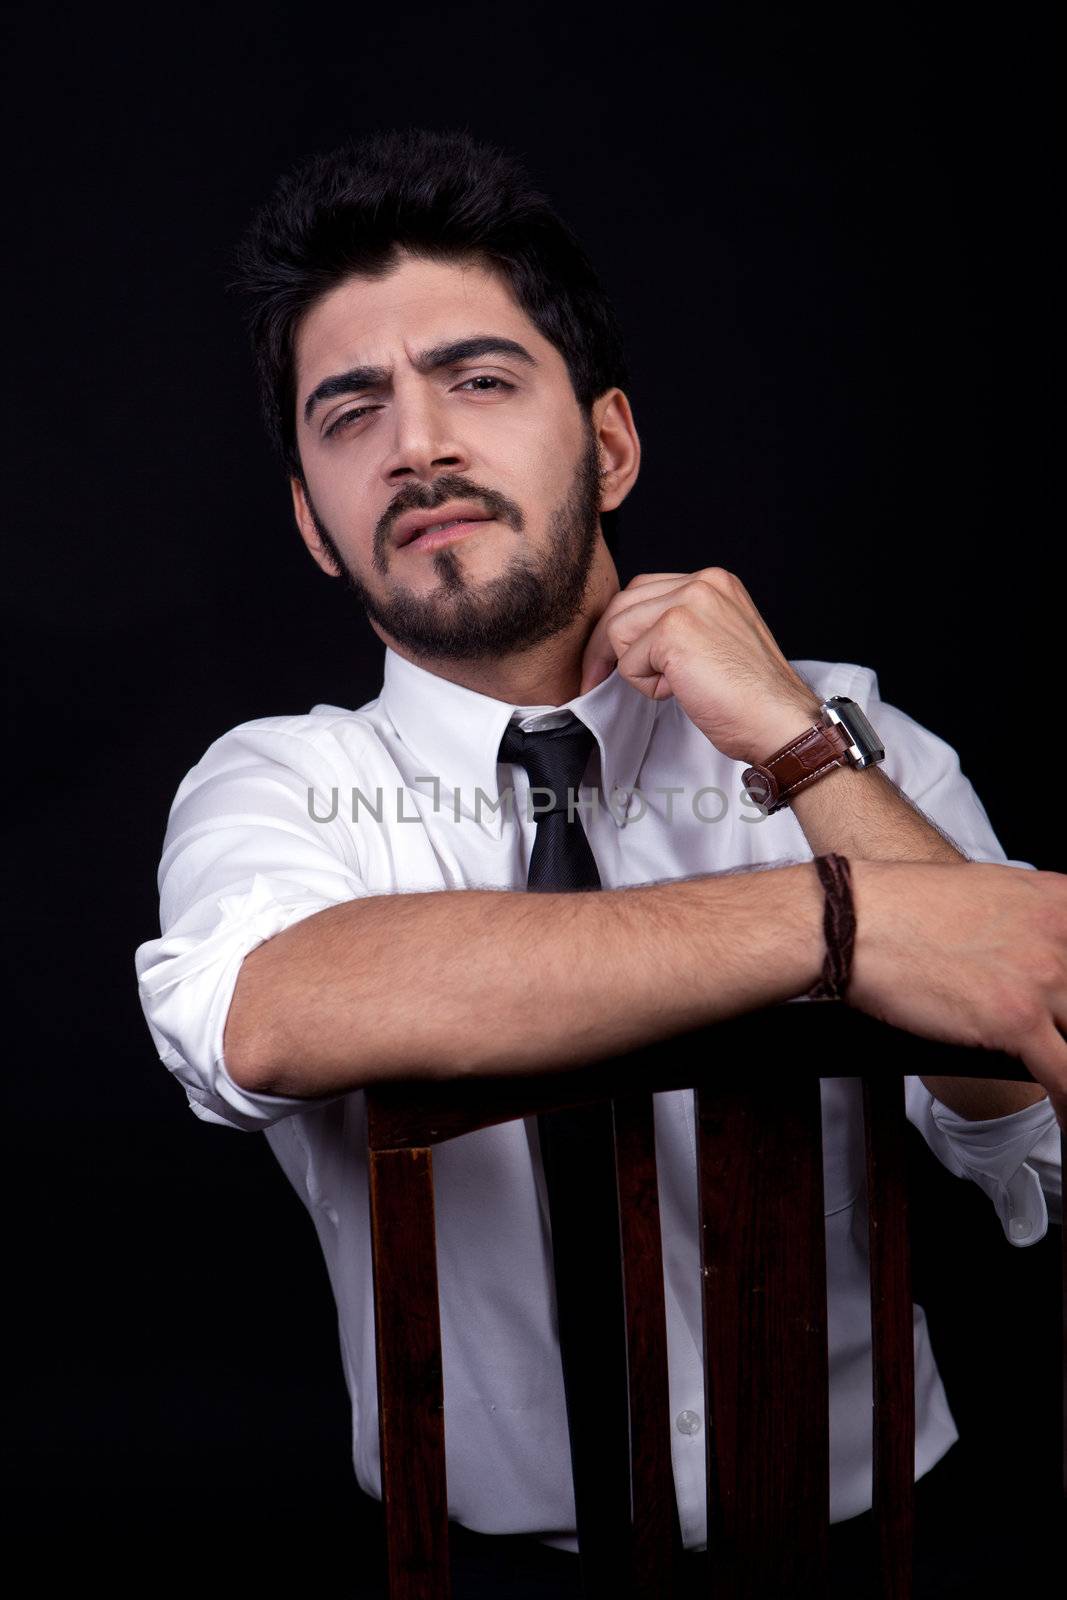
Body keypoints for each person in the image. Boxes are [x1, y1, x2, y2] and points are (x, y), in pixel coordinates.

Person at [134, 128, 1063, 1595]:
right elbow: (270, 1013)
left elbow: (1032, 1106)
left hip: (889, 1547)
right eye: (351, 411)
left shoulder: (851, 728)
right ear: (314, 525)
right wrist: (841, 922)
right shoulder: (285, 783)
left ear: (611, 443)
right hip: (488, 1575)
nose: (419, 443)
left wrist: (803, 752)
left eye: (480, 380)